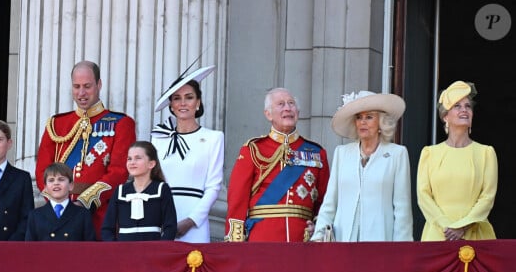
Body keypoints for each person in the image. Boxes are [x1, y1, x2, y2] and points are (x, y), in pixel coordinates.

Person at [35, 60, 136, 240]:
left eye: (87, 86)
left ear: (99, 84)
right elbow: (42, 170)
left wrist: (85, 201)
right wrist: (59, 203)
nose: (81, 93)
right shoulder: (56, 124)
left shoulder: (121, 123)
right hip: (58, 215)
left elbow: (119, 172)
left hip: (99, 216)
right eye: (76, 86)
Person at [225, 87, 330, 242]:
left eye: (291, 103)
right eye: (281, 104)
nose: (288, 108)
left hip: (302, 239)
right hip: (262, 237)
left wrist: (318, 227)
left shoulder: (316, 152)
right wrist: (235, 241)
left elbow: (325, 200)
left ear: (298, 112)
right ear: (268, 114)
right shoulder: (253, 149)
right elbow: (237, 198)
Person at [310, 91, 413, 242]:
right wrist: (319, 234)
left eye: (369, 117)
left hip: (380, 241)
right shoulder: (342, 153)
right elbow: (330, 201)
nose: (362, 122)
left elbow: (402, 209)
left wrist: (401, 250)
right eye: (359, 117)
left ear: (381, 122)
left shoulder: (397, 154)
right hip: (344, 239)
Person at [151, 65, 224, 243]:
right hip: (161, 218)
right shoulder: (159, 138)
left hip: (195, 222)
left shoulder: (213, 138)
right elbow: (152, 181)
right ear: (171, 105)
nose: (183, 103)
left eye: (189, 97)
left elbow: (214, 187)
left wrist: (191, 221)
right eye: (177, 98)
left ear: (198, 102)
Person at [417, 80, 497, 241]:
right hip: (438, 235)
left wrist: (463, 226)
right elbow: (423, 196)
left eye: (468, 106)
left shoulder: (485, 153)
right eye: (457, 106)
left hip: (475, 235)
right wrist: (446, 226)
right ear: (445, 116)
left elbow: (487, 197)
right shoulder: (429, 153)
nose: (464, 110)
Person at [101, 141, 177, 241]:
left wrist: (159, 250)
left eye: (138, 158)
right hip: (123, 251)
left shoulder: (162, 189)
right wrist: (116, 249)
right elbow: (107, 228)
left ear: (151, 164)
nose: (132, 162)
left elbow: (170, 227)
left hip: (152, 250)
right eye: (129, 159)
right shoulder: (120, 191)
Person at [26, 162, 96, 241]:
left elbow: (89, 249)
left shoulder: (83, 214)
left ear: (71, 185)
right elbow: (30, 250)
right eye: (51, 180)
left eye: (61, 179)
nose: (56, 183)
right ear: (45, 188)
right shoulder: (35, 216)